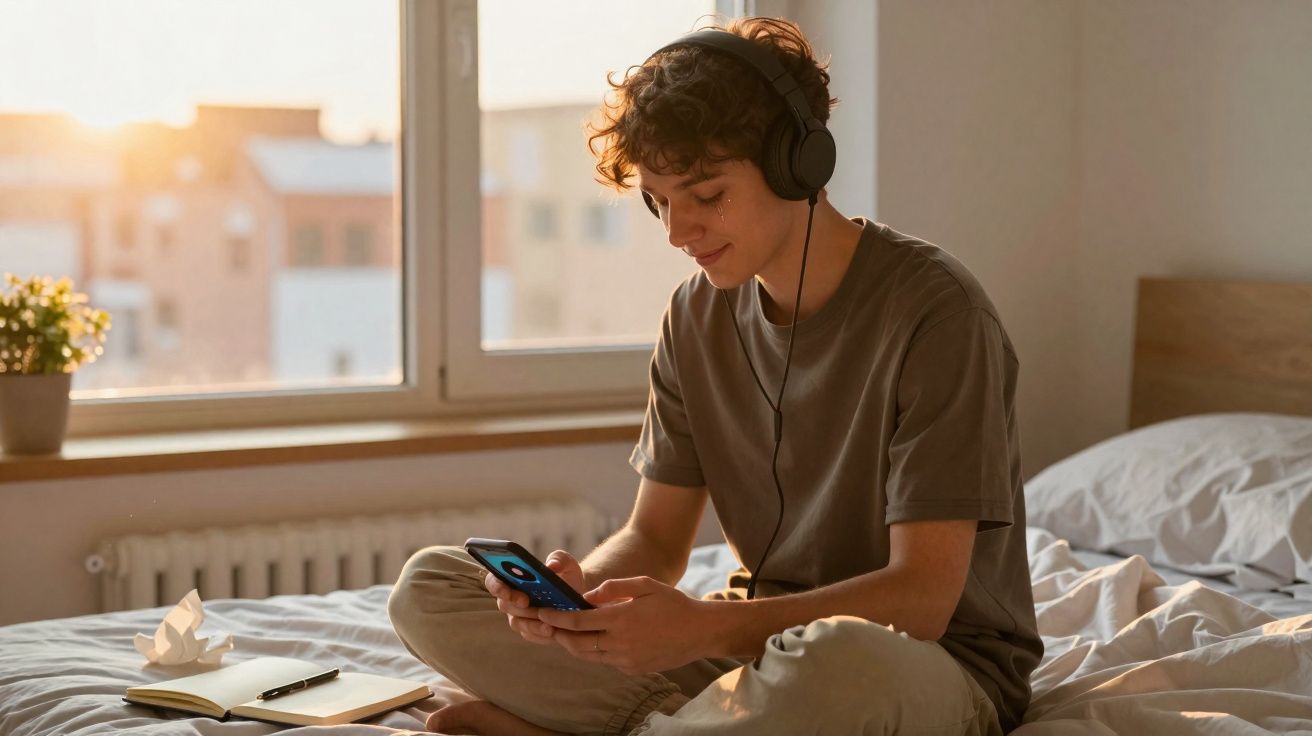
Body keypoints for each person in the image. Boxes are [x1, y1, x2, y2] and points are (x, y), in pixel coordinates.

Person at [388, 15, 1042, 736]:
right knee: (430, 587)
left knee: (843, 660)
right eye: (659, 202)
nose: (677, 232)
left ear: (800, 164)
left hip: (922, 661)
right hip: (755, 653)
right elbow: (657, 540)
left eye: (705, 196)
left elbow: (921, 600)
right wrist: (580, 602)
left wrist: (702, 630)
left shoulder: (937, 313)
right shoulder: (694, 317)